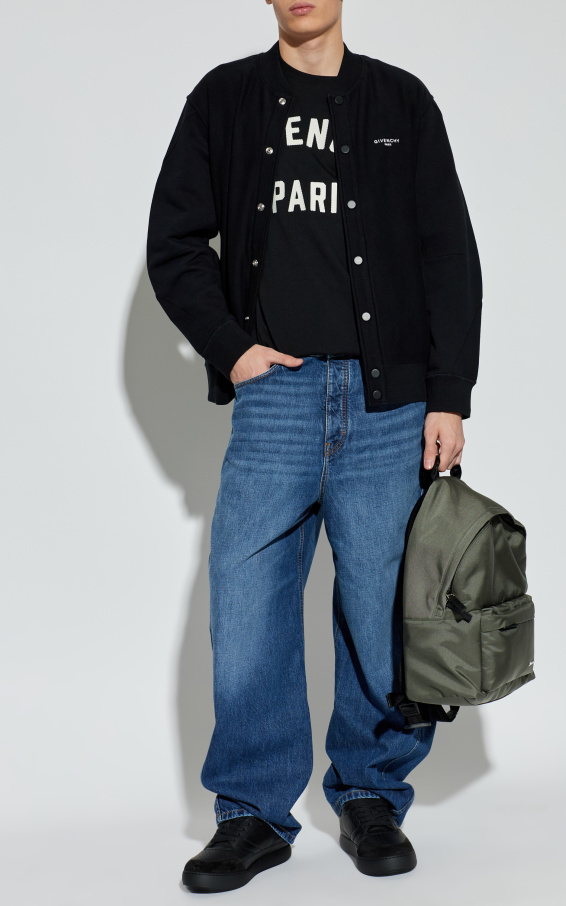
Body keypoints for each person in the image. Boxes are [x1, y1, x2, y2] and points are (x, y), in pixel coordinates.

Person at [146, 0, 482, 893]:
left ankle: (372, 794)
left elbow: (448, 251)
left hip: (389, 405)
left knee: (381, 609)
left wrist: (449, 394)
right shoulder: (224, 99)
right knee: (247, 604)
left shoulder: (401, 102)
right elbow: (174, 243)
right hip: (276, 401)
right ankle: (253, 815)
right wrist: (232, 348)